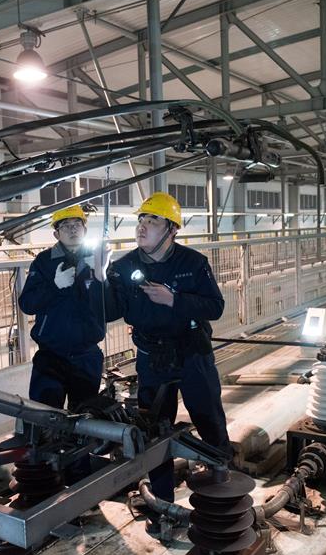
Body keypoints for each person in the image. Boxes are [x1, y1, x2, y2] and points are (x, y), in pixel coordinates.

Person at [91, 191, 232, 533]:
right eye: (141, 220)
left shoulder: (192, 264)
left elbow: (215, 307)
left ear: (171, 230)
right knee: (155, 431)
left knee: (209, 418)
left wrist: (175, 300)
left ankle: (222, 496)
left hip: (192, 352)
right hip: (152, 357)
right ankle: (163, 505)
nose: (142, 227)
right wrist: (97, 277)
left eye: (152, 221)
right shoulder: (124, 268)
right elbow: (110, 311)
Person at [18, 205, 105, 413]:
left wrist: (101, 277)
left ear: (85, 229)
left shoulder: (99, 260)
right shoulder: (44, 262)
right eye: (65, 225)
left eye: (77, 224)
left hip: (87, 354)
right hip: (51, 355)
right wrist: (54, 286)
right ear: (56, 233)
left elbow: (112, 304)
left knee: (85, 415)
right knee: (45, 414)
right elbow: (27, 304)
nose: (72, 229)